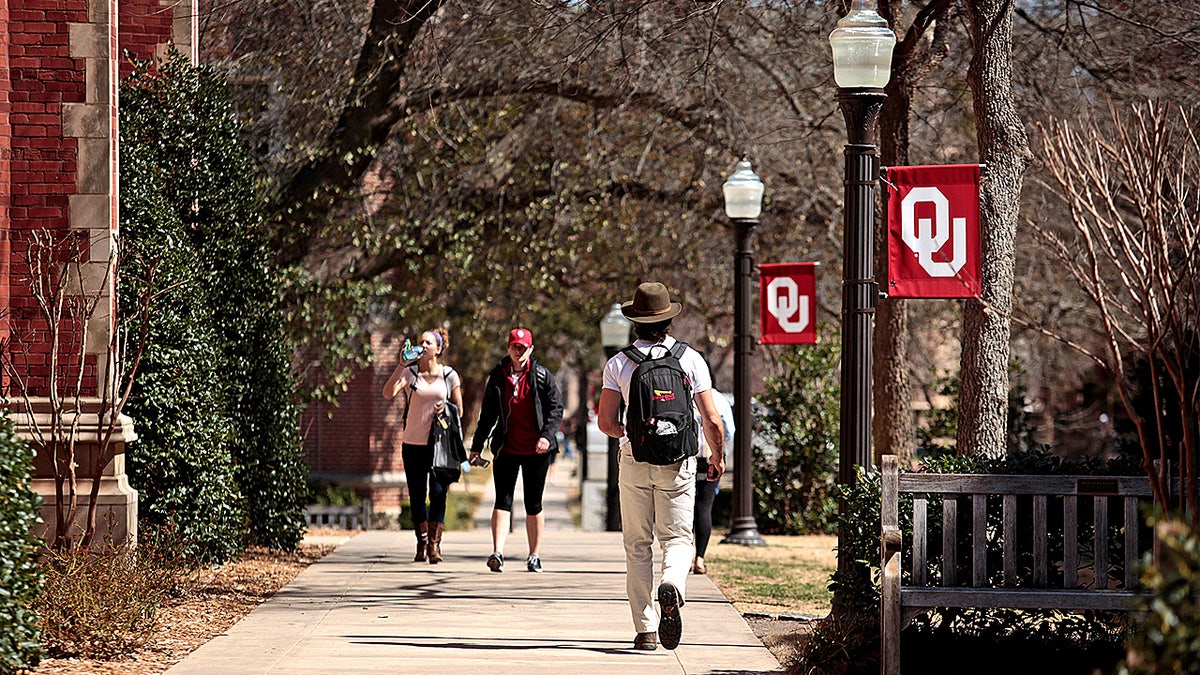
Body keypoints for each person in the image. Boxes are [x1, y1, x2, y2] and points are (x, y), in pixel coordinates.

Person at [598, 282, 726, 652]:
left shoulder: (619, 363)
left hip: (635, 460)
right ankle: (672, 583)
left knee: (637, 545)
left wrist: (630, 434)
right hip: (680, 462)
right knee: (678, 538)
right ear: (668, 320)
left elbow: (606, 421)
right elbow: (712, 420)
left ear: (634, 322)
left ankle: (646, 629)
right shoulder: (690, 359)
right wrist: (716, 456)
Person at [470, 328, 564, 573]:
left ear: (531, 349)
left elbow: (556, 409)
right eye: (514, 346)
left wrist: (546, 436)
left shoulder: (542, 376)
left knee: (534, 504)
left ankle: (534, 555)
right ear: (508, 348)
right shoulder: (498, 376)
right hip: (507, 448)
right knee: (502, 501)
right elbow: (487, 415)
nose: (518, 350)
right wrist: (476, 447)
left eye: (523, 347)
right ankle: (497, 553)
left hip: (536, 450)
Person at [382, 328, 463, 564]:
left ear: (438, 349)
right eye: (421, 342)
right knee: (417, 495)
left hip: (440, 445)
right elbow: (387, 393)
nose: (423, 345)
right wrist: (400, 365)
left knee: (439, 494)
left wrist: (446, 408)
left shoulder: (449, 376)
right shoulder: (410, 373)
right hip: (413, 443)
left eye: (428, 342)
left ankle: (434, 547)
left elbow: (460, 410)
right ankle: (422, 543)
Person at [693, 389, 734, 575]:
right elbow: (728, 430)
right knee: (704, 508)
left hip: (685, 459)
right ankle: (699, 558)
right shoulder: (718, 398)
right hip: (710, 458)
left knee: (683, 511)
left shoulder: (681, 391)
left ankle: (684, 558)